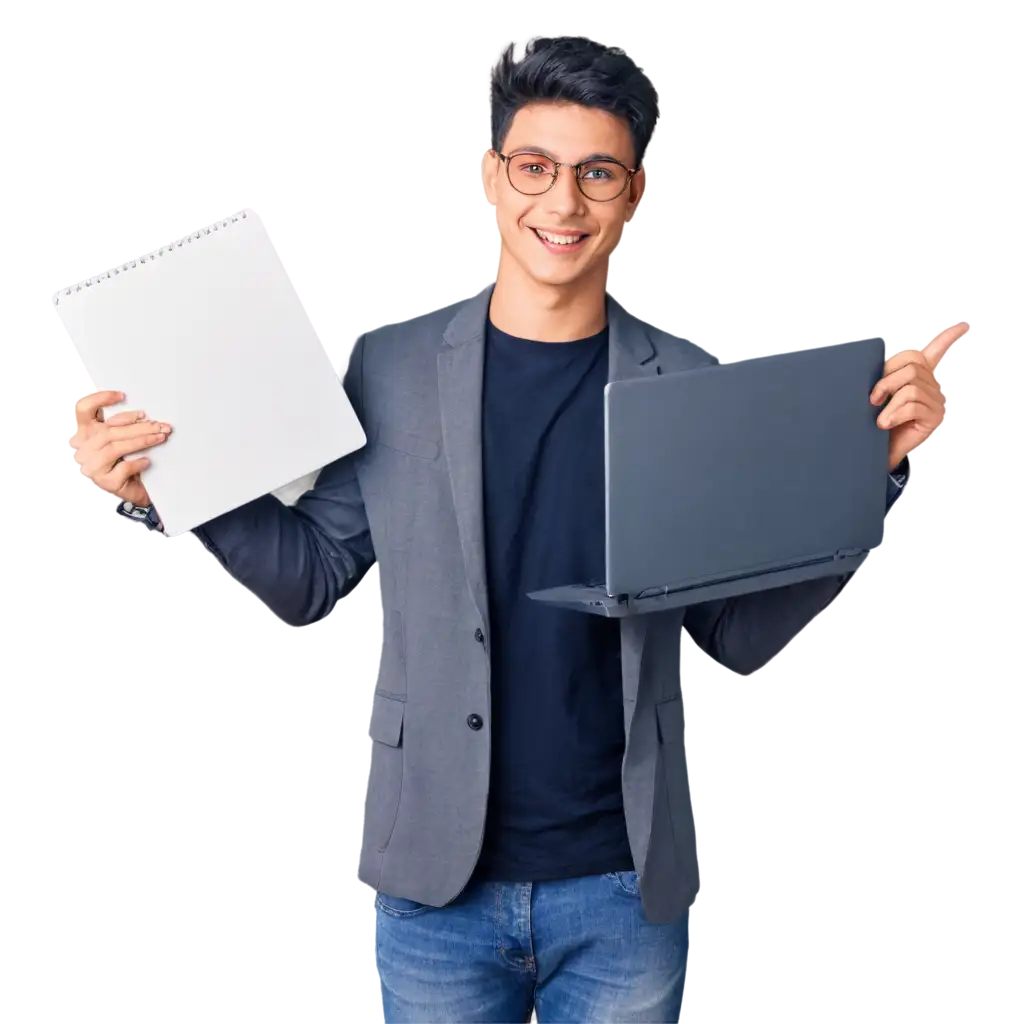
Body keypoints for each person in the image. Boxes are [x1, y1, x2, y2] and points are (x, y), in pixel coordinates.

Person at [65, 35, 970, 1024]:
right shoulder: (389, 365)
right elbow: (312, 577)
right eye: (535, 167)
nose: (563, 202)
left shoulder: (698, 386)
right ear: (490, 179)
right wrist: (168, 486)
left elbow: (731, 633)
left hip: (623, 888)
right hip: (432, 891)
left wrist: (868, 476)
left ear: (635, 192)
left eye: (596, 173)